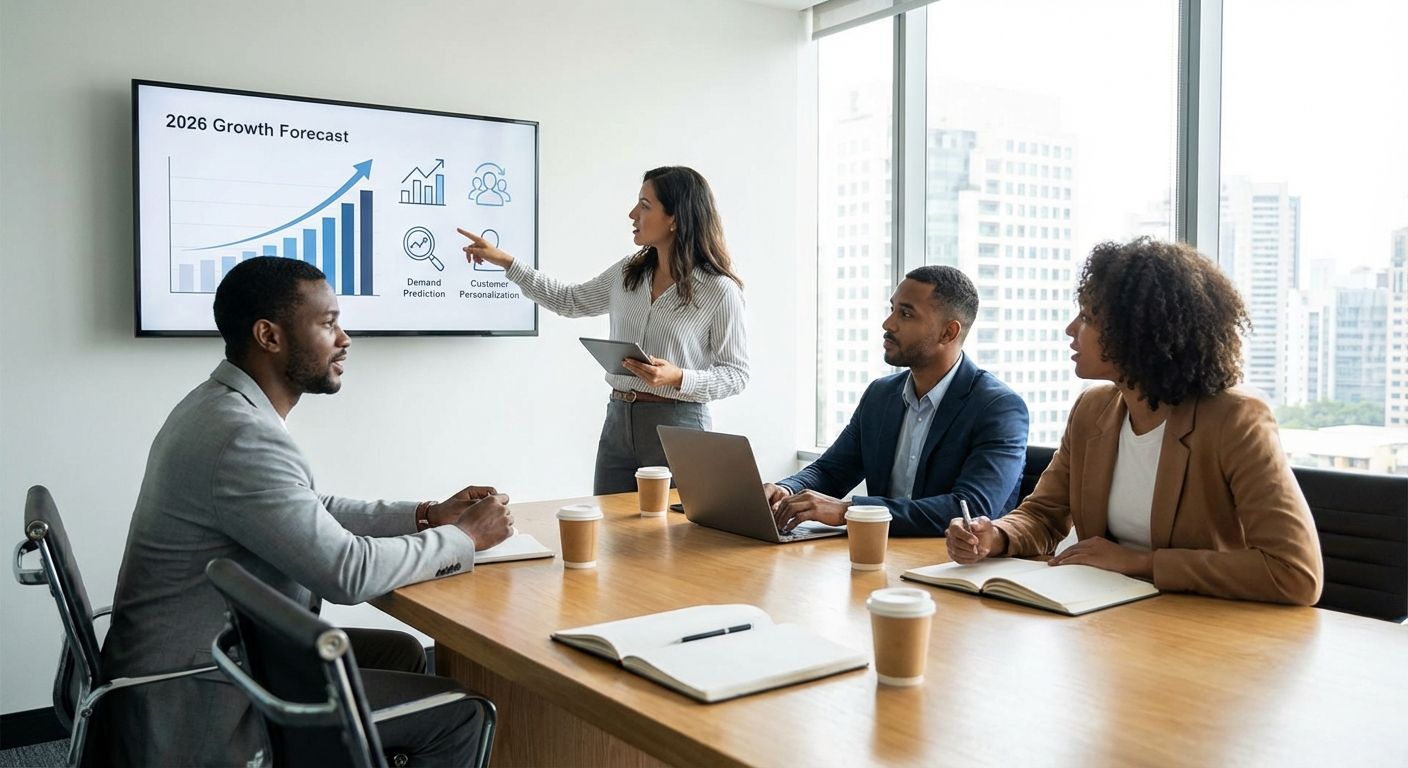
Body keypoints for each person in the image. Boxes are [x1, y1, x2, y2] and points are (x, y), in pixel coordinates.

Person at [101, 257, 513, 766]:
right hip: (202, 691)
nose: (345, 339)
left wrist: (428, 515)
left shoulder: (220, 406)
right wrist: (464, 539)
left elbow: (310, 508)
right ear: (269, 336)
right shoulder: (242, 436)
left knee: (401, 653)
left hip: (221, 654)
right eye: (327, 323)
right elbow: (347, 572)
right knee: (462, 710)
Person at [947, 238, 1323, 605]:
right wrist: (995, 535)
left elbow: (1294, 572)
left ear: (1138, 333)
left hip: (1202, 629)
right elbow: (1044, 515)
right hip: (1104, 617)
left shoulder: (1234, 418)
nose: (1070, 329)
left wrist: (1141, 563)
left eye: (1088, 318)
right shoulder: (1093, 409)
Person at [459, 166, 748, 494]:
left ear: (675, 218)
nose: (632, 213)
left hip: (680, 426)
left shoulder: (718, 290)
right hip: (618, 421)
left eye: (645, 205)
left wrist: (679, 377)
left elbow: (737, 374)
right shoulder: (628, 274)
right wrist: (508, 263)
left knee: (675, 538)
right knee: (611, 534)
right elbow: (570, 300)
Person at [767, 266, 1029, 536]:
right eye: (892, 309)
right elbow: (831, 471)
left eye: (905, 314)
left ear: (948, 333)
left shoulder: (999, 407)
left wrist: (850, 511)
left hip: (954, 565)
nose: (888, 324)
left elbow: (970, 508)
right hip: (881, 556)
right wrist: (785, 491)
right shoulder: (880, 395)